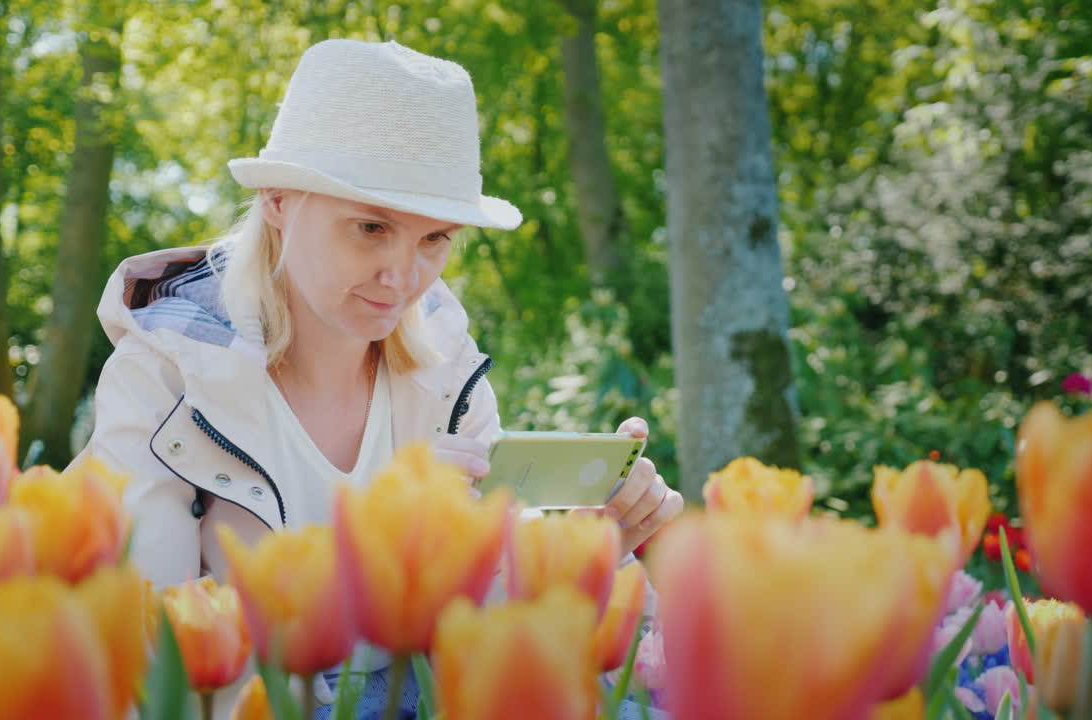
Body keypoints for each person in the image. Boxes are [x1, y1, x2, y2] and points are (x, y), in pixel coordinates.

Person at [75, 38, 683, 718]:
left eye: (435, 241)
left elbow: (491, 626)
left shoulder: (448, 377)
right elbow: (141, 656)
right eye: (370, 228)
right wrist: (368, 557)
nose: (404, 279)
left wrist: (590, 552)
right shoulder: (164, 382)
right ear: (277, 200)